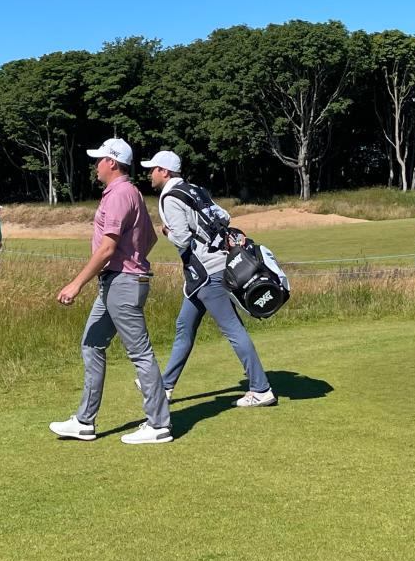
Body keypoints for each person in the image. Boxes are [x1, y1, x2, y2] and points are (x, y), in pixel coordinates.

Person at [49, 138, 172, 445]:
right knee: (91, 344)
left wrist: (76, 283)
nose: (96, 165)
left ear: (113, 163)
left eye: (100, 159)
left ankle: (159, 425)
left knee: (140, 353)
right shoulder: (130, 194)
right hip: (118, 282)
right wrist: (133, 258)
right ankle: (84, 422)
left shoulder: (120, 195)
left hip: (122, 283)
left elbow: (107, 248)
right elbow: (151, 240)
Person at [141, 149, 275, 408]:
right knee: (184, 327)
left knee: (233, 329)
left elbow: (181, 238)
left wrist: (167, 230)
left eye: (153, 169)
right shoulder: (195, 189)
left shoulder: (169, 197)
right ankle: (165, 386)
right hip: (209, 270)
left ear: (165, 172)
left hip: (205, 272)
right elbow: (223, 216)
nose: (150, 174)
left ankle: (261, 389)